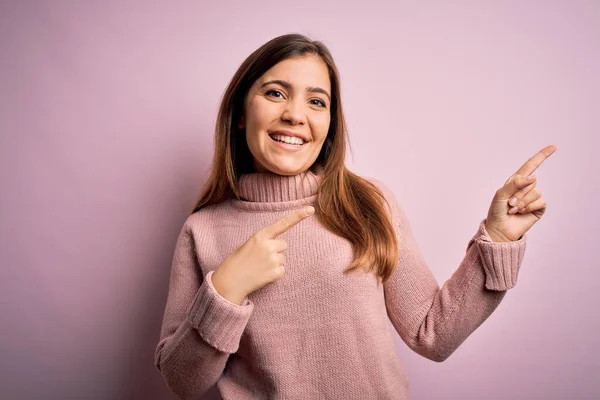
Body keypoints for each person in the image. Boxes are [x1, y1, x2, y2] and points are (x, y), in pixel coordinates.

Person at [154, 33, 555, 399]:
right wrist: (225, 291)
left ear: (329, 125)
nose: (296, 115)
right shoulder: (202, 230)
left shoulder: (368, 202)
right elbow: (182, 381)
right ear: (241, 112)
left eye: (316, 101)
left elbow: (432, 333)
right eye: (276, 93)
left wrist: (499, 240)